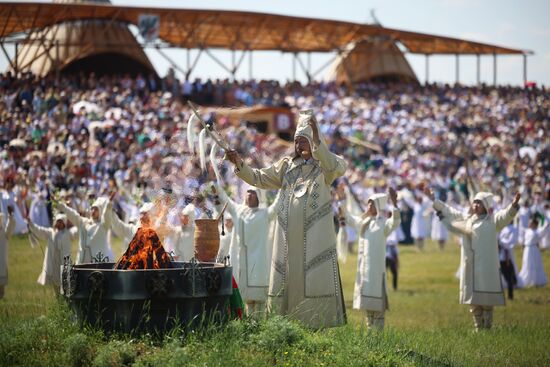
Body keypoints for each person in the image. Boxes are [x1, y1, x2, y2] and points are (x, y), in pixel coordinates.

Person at [225, 109, 347, 328]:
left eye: (304, 140)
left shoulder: (325, 167)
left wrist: (318, 137)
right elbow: (259, 178)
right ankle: (288, 326)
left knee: (312, 278)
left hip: (314, 239)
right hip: (287, 239)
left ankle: (315, 324)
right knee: (288, 281)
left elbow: (334, 166)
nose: (299, 145)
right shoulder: (286, 166)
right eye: (297, 140)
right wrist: (239, 164)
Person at [426, 188, 520, 331]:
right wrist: (434, 200)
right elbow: (450, 211)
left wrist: (513, 205)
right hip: (470, 264)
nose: (475, 205)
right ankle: (478, 328)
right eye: (474, 202)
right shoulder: (466, 219)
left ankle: (487, 327)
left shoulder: (493, 221)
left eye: (479, 203)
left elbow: (506, 215)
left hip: (486, 266)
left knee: (487, 300)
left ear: (485, 206)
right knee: (473, 300)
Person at [213, 184, 278, 317]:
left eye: (253, 192)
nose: (250, 194)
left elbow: (277, 206)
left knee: (259, 301)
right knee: (246, 301)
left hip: (259, 261)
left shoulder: (265, 214)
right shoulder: (238, 211)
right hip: (243, 261)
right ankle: (248, 324)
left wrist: (283, 188)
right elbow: (226, 200)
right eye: (248, 192)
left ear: (259, 196)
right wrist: (218, 189)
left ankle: (259, 325)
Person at [339, 188, 400, 330]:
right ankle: (369, 334)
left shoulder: (384, 224)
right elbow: (348, 217)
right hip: (364, 271)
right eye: (368, 204)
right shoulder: (363, 222)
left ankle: (377, 336)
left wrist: (395, 204)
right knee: (367, 306)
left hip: (377, 271)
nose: (368, 206)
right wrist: (341, 200)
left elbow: (395, 222)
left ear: (378, 206)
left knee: (378, 306)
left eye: (371, 204)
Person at [27, 213, 77, 290]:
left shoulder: (68, 233)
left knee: (64, 281)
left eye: (61, 222)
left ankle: (64, 297)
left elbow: (77, 230)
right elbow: (40, 231)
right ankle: (57, 297)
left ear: (64, 223)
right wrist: (31, 223)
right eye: (58, 221)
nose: (59, 223)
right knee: (55, 282)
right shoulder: (50, 232)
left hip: (63, 261)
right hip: (53, 261)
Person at [58, 197, 113, 264]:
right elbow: (74, 215)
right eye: (92, 209)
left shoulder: (103, 225)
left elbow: (107, 217)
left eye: (96, 209)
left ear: (100, 211)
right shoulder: (84, 222)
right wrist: (63, 207)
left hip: (96, 262)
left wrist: (108, 207)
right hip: (82, 260)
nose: (93, 211)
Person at [517, 215, 548, 288]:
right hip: (527, 250)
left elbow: (544, 229)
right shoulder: (527, 230)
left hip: (534, 249)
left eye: (530, 223)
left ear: (534, 224)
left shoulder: (537, 231)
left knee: (533, 263)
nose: (529, 224)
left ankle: (535, 280)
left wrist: (546, 224)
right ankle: (527, 279)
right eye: (529, 222)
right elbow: (521, 229)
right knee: (526, 263)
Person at [498, 222, 519, 299]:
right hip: (501, 255)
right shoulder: (503, 228)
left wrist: (502, 242)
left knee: (508, 274)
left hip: (506, 256)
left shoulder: (513, 228)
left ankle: (511, 293)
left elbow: (510, 242)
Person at [0, 206, 15, 298]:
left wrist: (10, 215)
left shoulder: (5, 234)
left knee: (1, 281)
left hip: (1, 261)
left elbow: (10, 226)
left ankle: (1, 295)